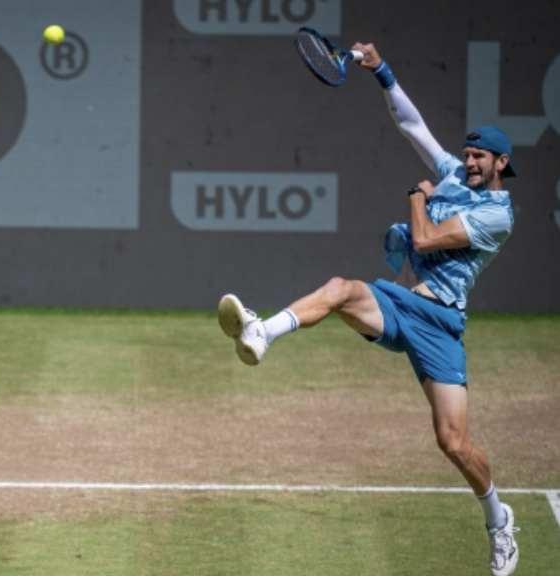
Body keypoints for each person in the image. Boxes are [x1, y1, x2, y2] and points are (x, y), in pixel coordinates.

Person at [217, 42, 519, 576]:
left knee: (453, 443)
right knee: (340, 288)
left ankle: (499, 522)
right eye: (467, 154)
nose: (469, 162)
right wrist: (381, 70)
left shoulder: (497, 213)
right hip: (398, 304)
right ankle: (262, 331)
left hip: (441, 325)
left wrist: (416, 196)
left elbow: (425, 242)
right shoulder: (450, 172)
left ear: (501, 164)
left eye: (480, 157)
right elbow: (412, 125)